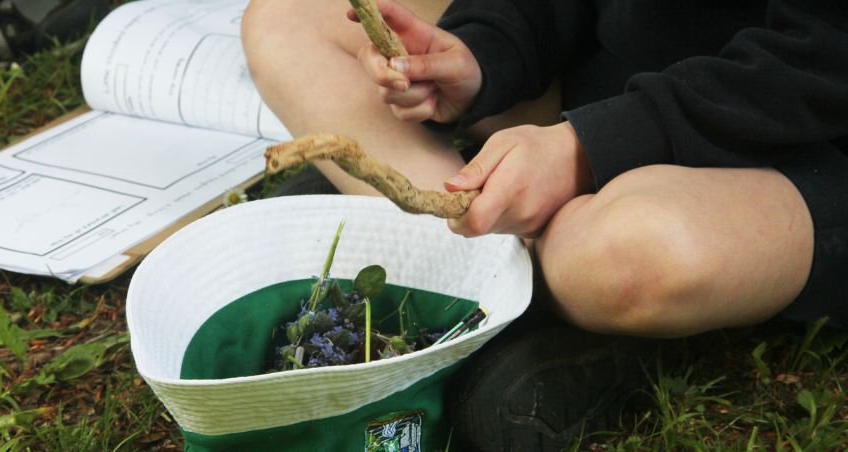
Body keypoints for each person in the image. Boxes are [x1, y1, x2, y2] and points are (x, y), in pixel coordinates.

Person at [243, 0, 848, 448]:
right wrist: (480, 55)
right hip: (597, 91)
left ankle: (564, 295)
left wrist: (592, 146)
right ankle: (470, 241)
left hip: (799, 147)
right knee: (286, 18)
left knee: (626, 252)